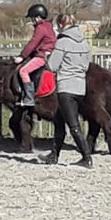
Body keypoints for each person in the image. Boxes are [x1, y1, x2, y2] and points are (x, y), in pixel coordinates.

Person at [38, 14, 93, 168]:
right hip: (80, 87)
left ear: (61, 25)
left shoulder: (62, 42)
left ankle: (86, 157)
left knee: (73, 125)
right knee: (59, 120)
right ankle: (54, 155)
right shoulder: (84, 42)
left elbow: (52, 66)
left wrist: (48, 57)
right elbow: (86, 66)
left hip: (66, 87)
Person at [14, 3, 56, 107]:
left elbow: (33, 43)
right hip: (49, 54)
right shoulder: (48, 26)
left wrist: (22, 56)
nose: (32, 21)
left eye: (32, 19)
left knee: (23, 71)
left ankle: (29, 98)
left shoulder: (41, 27)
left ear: (37, 17)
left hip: (41, 56)